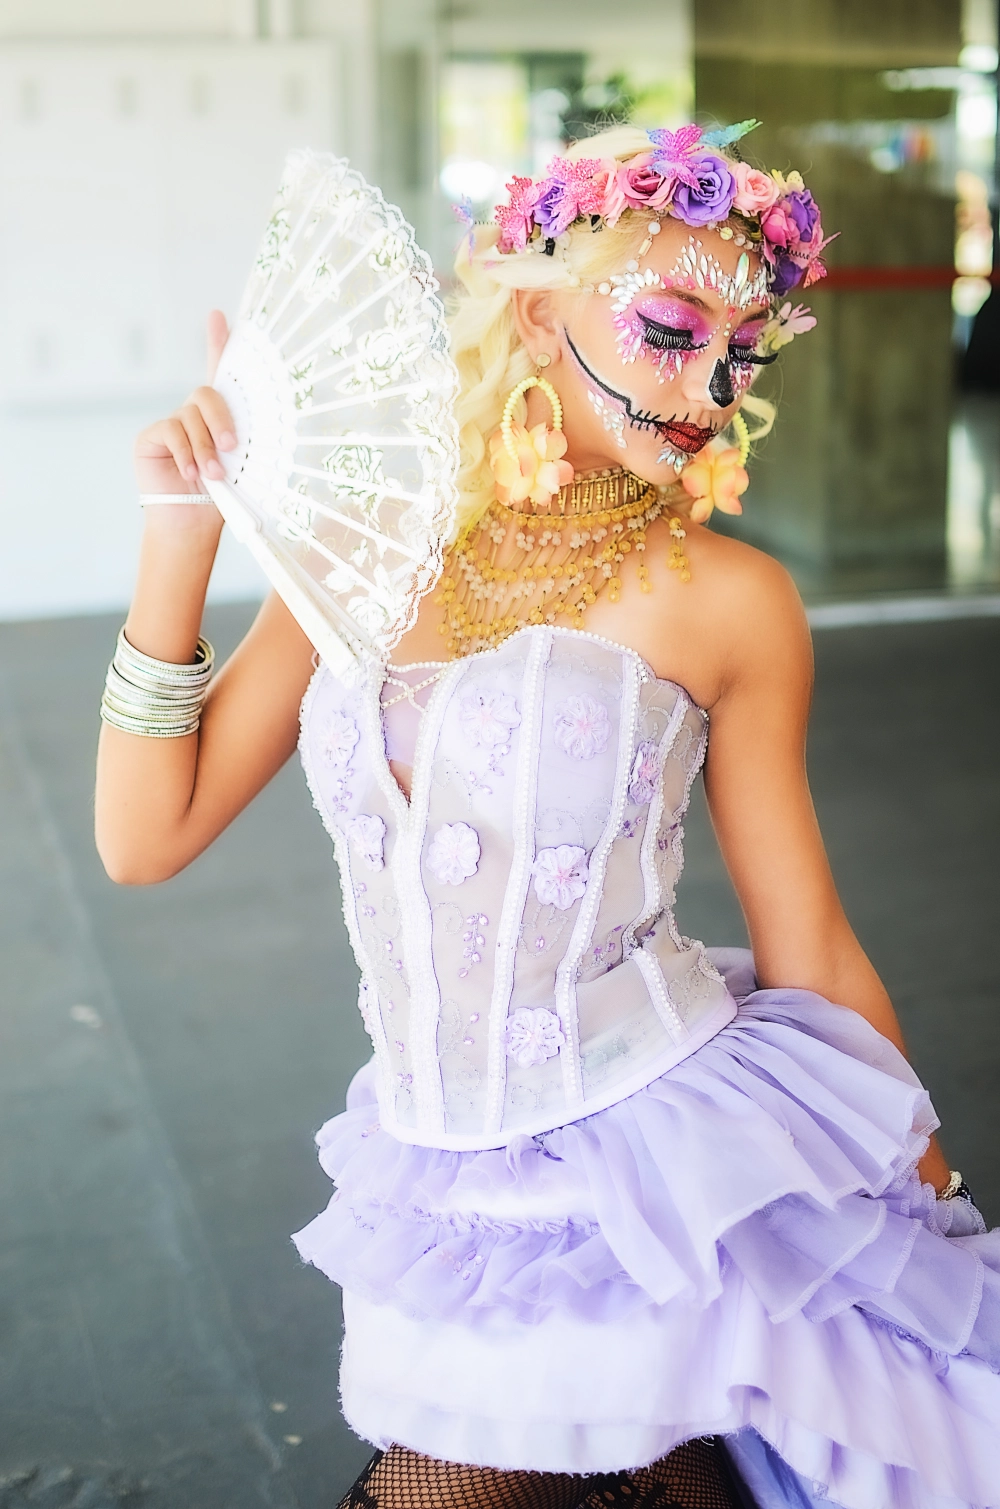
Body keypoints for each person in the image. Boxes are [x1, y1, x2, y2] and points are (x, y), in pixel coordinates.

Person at [94, 123, 1000, 1509]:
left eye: (740, 352)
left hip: (660, 1159)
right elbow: (141, 839)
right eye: (668, 328)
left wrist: (914, 1191)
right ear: (533, 305)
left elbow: (807, 935)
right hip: (439, 1183)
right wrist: (178, 536)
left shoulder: (731, 601)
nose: (707, 385)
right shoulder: (372, 554)